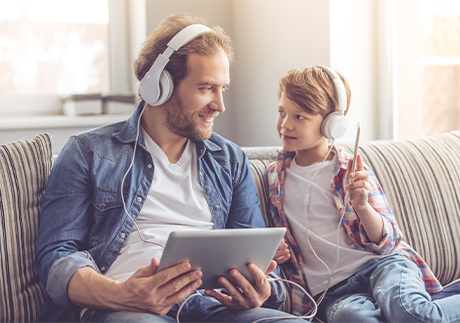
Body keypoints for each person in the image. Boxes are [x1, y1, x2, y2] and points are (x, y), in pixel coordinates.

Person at [35, 13, 305, 323]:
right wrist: (120, 294)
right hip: (124, 309)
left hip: (211, 307)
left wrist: (260, 289)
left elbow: (261, 262)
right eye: (206, 88)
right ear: (158, 86)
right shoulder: (88, 153)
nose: (219, 105)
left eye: (223, 89)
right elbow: (56, 257)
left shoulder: (230, 161)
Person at [267, 65, 460, 322]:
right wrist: (274, 250)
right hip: (333, 293)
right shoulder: (274, 177)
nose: (285, 124)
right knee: (353, 319)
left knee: (411, 314)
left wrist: (363, 206)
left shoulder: (349, 169)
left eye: (299, 117)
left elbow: (389, 240)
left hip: (382, 267)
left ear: (331, 124)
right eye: (282, 112)